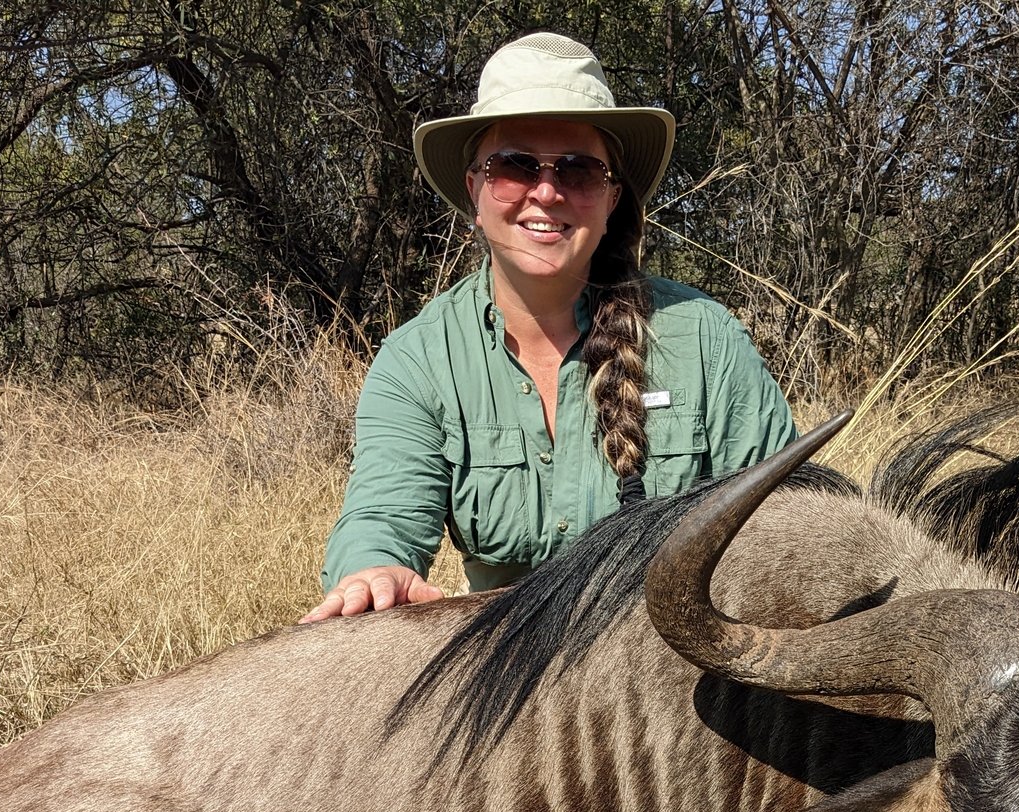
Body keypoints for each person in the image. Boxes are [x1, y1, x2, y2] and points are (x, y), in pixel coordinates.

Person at [303, 32, 797, 619]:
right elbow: (382, 518)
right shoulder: (419, 359)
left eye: (578, 171)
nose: (545, 191)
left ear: (611, 198)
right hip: (508, 680)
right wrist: (374, 572)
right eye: (512, 166)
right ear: (475, 191)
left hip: (681, 680)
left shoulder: (706, 338)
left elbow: (789, 519)